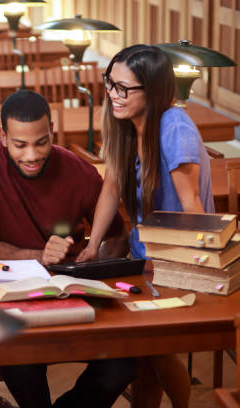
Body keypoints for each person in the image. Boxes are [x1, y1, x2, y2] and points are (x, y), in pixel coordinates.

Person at [0, 90, 135, 407]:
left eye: (41, 142)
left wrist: (92, 265)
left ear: (51, 130)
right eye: (20, 144)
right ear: (2, 136)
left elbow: (118, 235)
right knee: (23, 366)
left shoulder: (78, 171)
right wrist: (39, 256)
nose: (32, 155)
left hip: (74, 290)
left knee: (124, 363)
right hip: (12, 293)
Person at [76, 44, 215, 408]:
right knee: (144, 353)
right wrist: (92, 247)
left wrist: (182, 268)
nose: (113, 94)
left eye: (124, 88)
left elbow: (193, 208)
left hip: (175, 258)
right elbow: (111, 185)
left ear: (151, 90)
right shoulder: (124, 124)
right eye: (110, 83)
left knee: (157, 351)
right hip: (144, 256)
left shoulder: (174, 126)